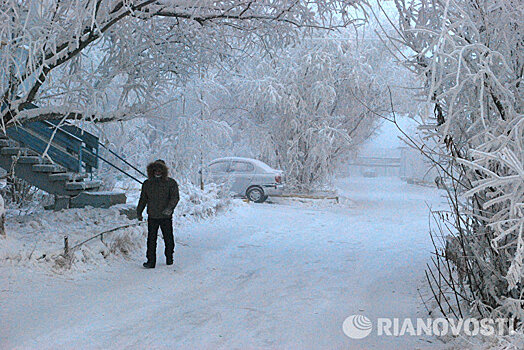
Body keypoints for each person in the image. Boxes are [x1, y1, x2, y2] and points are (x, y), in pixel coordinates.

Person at [137, 159, 180, 268]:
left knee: (168, 238)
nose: (157, 172)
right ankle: (151, 261)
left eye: (160, 170)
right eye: (155, 170)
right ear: (151, 170)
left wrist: (169, 208)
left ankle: (169, 256)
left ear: (164, 170)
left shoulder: (171, 183)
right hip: (152, 216)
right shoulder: (147, 183)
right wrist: (139, 212)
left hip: (166, 216)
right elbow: (143, 199)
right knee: (151, 240)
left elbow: (175, 198)